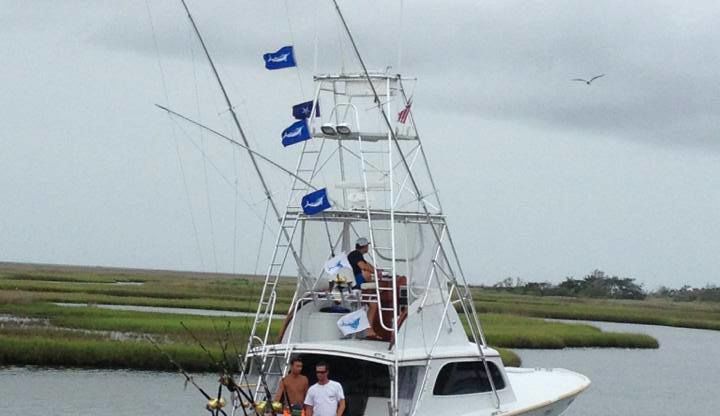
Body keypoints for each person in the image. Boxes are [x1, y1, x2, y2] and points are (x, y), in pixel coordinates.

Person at [347, 237, 382, 340]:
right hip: (355, 284)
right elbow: (363, 266)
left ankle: (368, 330)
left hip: (357, 283)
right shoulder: (355, 254)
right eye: (367, 245)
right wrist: (376, 272)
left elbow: (366, 265)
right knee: (373, 303)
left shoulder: (357, 255)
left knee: (373, 304)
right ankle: (368, 331)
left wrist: (375, 270)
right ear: (364, 246)